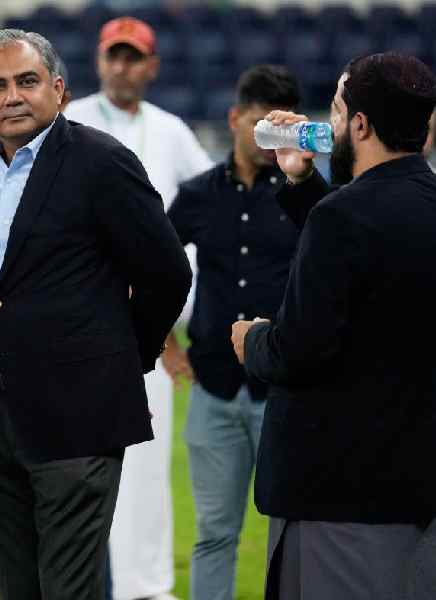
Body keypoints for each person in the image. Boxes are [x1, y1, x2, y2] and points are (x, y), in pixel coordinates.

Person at [0, 29, 192, 599]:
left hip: (79, 415)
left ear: (58, 89)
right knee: (17, 587)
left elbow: (168, 272)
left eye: (27, 82)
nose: (13, 97)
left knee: (69, 590)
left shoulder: (102, 161)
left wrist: (123, 356)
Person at [230, 52, 436, 599]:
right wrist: (301, 182)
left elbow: (299, 348)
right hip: (416, 494)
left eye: (339, 111)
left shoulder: (343, 217)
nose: (332, 123)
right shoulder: (409, 205)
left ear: (361, 125)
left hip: (338, 503)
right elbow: (372, 262)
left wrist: (252, 340)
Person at [64, 16, 212, 600]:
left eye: (134, 57)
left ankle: (145, 588)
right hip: (78, 320)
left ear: (151, 66)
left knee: (147, 465)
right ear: (99, 62)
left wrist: (176, 314)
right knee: (72, 462)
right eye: (113, 56)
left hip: (144, 328)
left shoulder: (171, 131)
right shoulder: (69, 122)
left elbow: (206, 213)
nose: (122, 66)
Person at [166, 65, 301, 600]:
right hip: (214, 389)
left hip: (285, 391)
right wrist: (164, 343)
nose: (269, 138)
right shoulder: (198, 194)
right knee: (214, 534)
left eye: (280, 127)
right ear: (235, 118)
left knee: (287, 533)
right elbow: (153, 262)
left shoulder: (305, 197)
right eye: (260, 124)